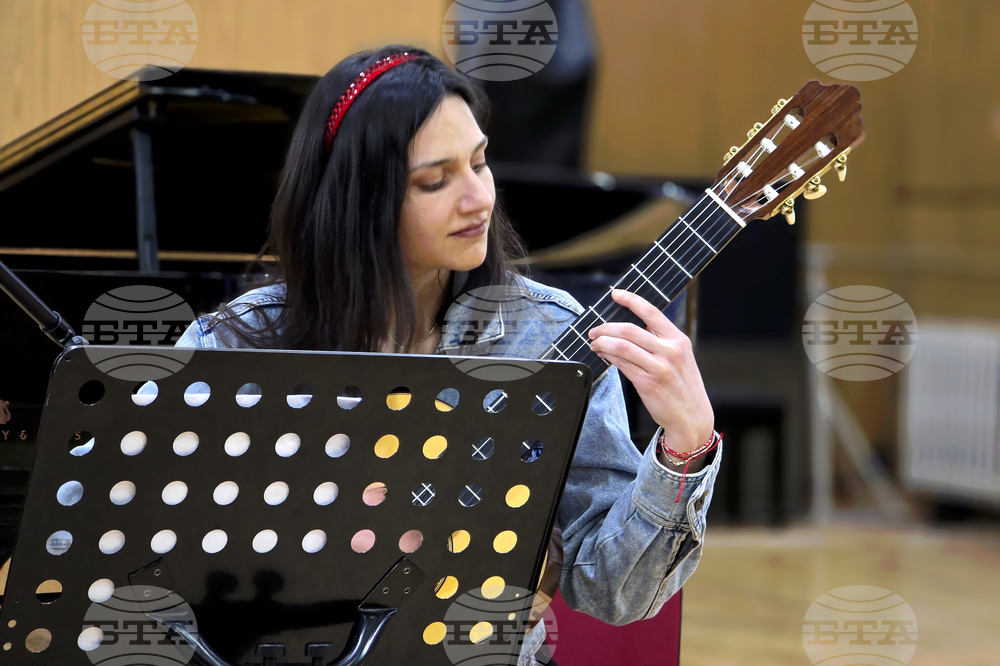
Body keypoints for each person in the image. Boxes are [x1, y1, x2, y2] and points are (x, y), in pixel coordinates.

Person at [162, 44, 722, 665]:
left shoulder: (547, 335)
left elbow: (616, 592)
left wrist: (686, 446)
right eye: (436, 180)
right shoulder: (236, 344)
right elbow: (102, 526)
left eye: (479, 164)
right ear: (361, 201)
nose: (478, 199)